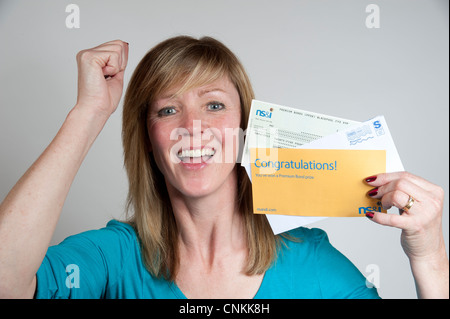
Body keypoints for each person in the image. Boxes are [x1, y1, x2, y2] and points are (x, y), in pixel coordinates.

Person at [0, 36, 448, 299]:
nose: (193, 128)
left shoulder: (313, 266)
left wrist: (428, 255)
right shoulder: (113, 259)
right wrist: (88, 113)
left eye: (214, 104)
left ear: (245, 128)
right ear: (150, 142)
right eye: (167, 111)